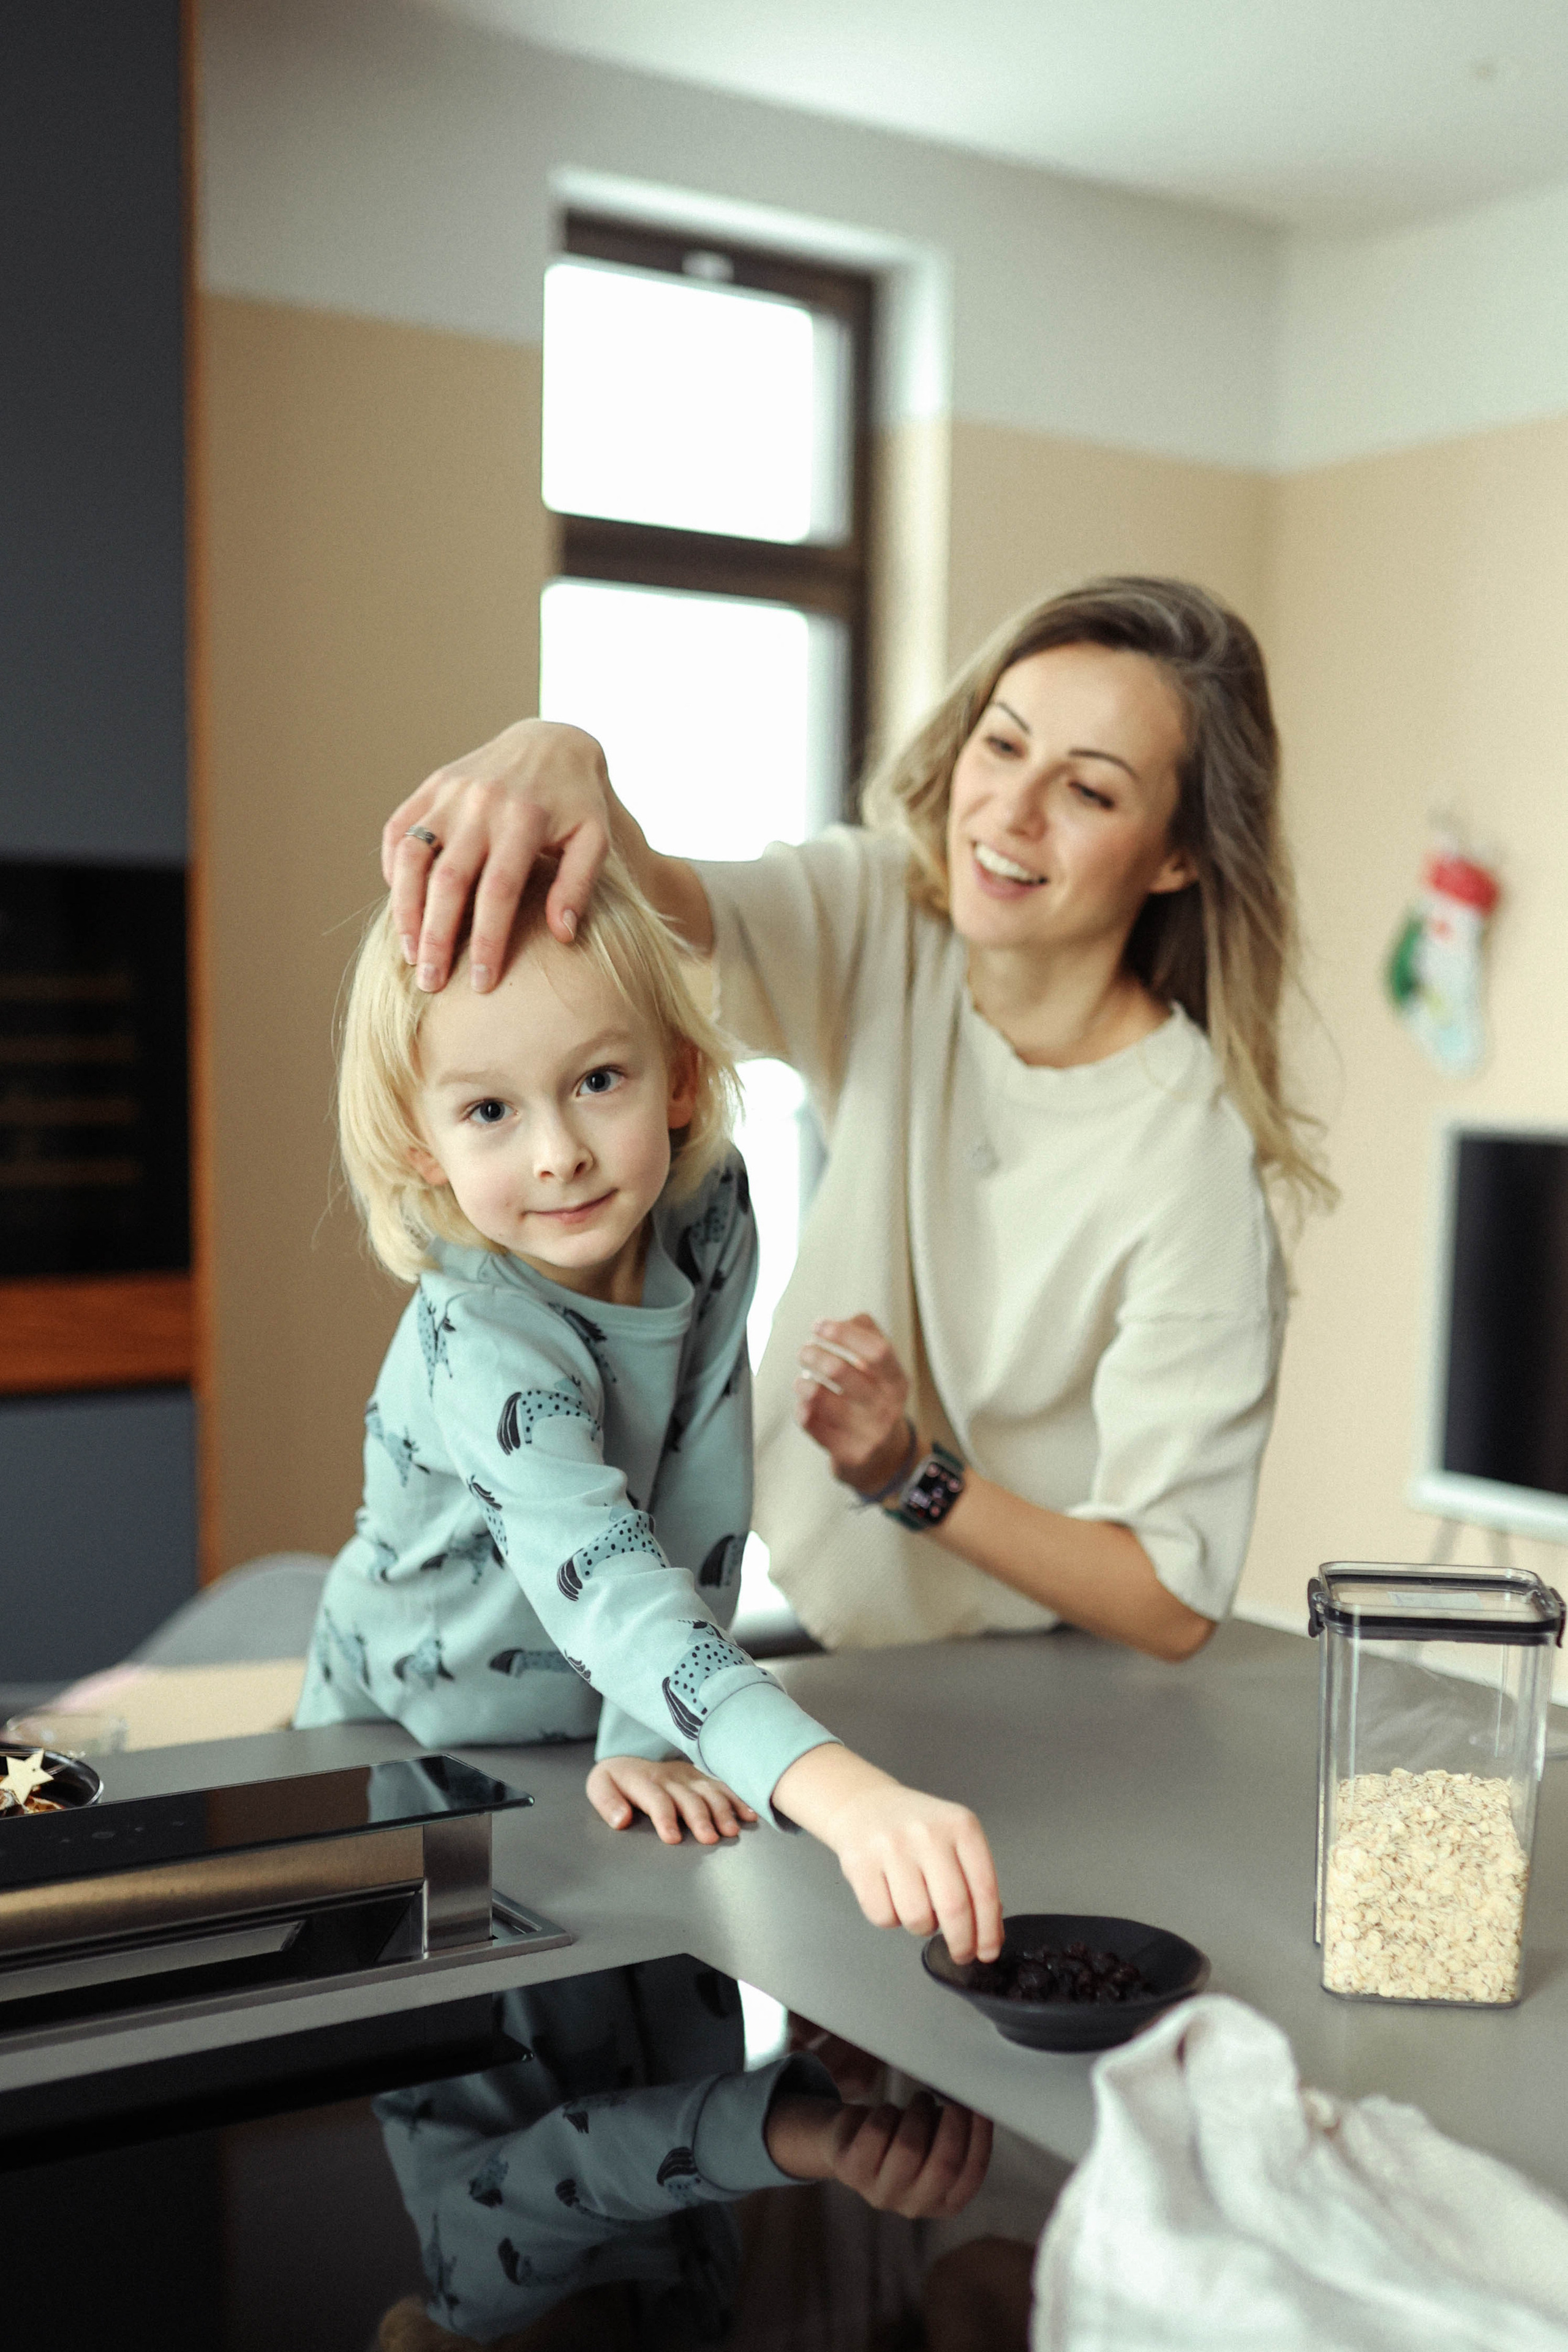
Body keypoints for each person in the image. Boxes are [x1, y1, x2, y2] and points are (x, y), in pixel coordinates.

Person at [379, 576, 1330, 1662]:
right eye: (1005, 746)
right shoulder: (889, 917)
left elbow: (1170, 1596)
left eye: (1091, 793)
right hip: (839, 1635)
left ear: (1180, 855)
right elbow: (676, 915)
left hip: (1051, 1674)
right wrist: (562, 755)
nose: (1010, 814)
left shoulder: (1189, 1155)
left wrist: (910, 1476)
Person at [296, 857, 1003, 1964]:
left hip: (594, 1720)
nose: (559, 1152)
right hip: (404, 1731)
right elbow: (609, 1583)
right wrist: (850, 1799)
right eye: (490, 1109)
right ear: (418, 1144)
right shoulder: (480, 1333)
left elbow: (702, 1481)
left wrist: (646, 1735)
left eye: (597, 1081)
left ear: (677, 1078)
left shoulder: (708, 1208)